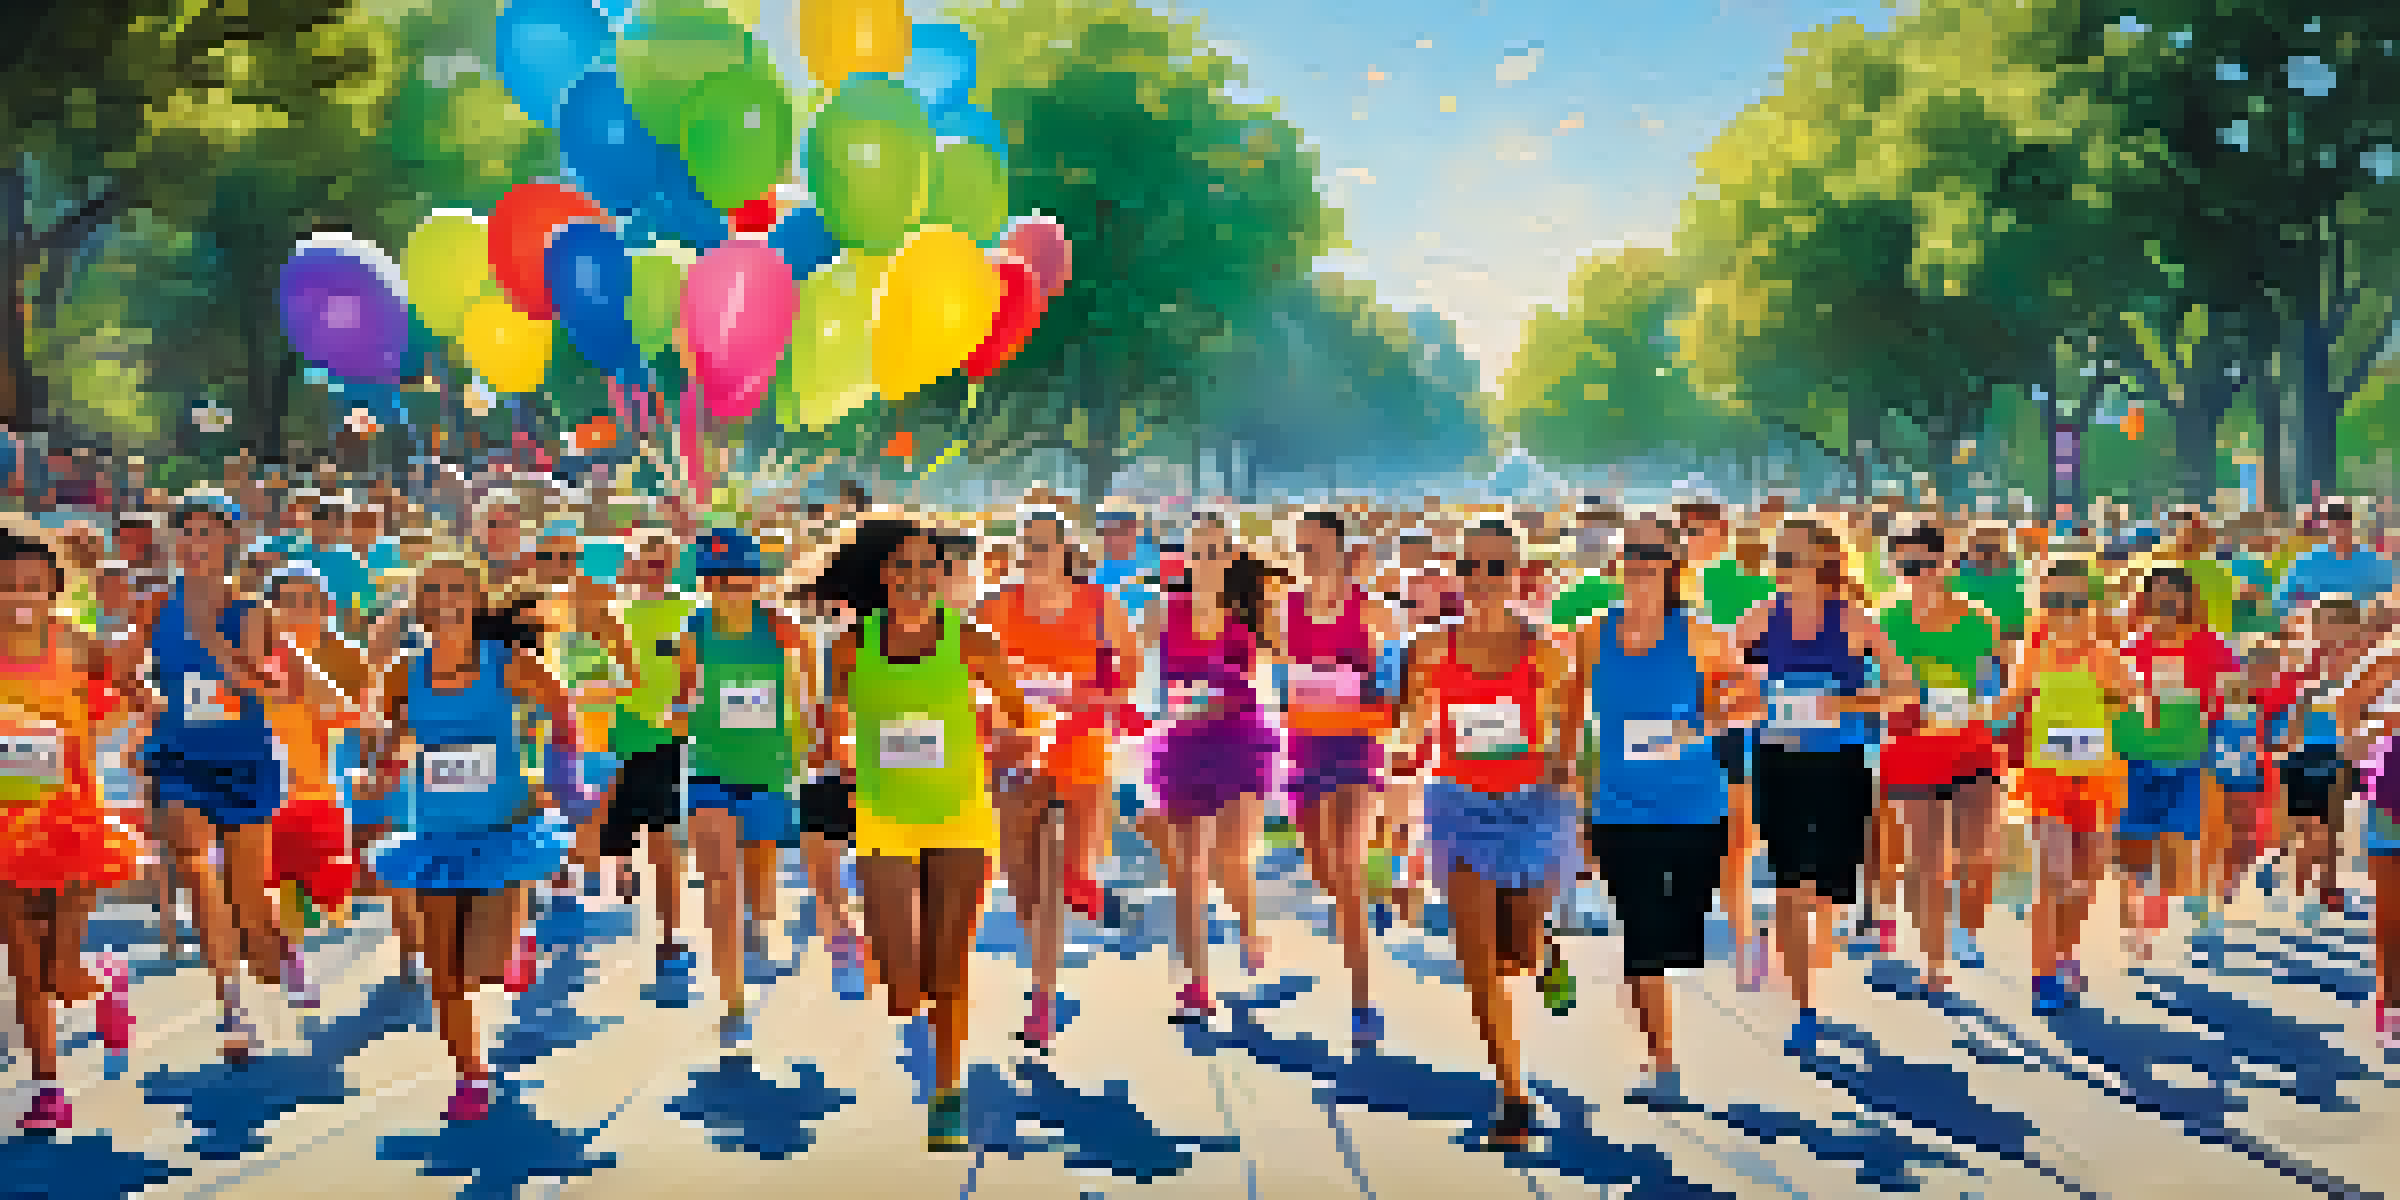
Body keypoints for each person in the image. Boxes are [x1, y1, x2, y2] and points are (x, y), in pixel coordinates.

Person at [819, 519, 1037, 1151]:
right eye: (904, 565)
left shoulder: (971, 641)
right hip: (884, 816)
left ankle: (947, 1092)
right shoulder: (851, 646)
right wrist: (837, 750)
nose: (917, 577)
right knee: (901, 986)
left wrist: (1006, 746)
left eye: (929, 566)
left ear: (944, 576)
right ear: (883, 573)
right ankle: (900, 990)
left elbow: (1023, 720)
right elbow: (832, 720)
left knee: (950, 964)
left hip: (959, 817)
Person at [369, 555, 576, 1120]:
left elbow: (561, 707)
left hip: (503, 834)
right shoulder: (405, 673)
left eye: (457, 589)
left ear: (477, 600)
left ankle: (518, 936)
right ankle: (470, 1075)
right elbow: (393, 729)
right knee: (444, 972)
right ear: (421, 605)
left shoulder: (506, 662)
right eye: (434, 590)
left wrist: (561, 774)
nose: (446, 601)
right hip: (435, 838)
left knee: (485, 966)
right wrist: (383, 764)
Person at [1400, 519, 1581, 1150]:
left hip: (1530, 807)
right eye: (1470, 566)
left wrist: (1565, 770)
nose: (1481, 579)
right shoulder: (1430, 648)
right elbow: (1413, 723)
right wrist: (1402, 751)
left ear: (1517, 576)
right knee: (1478, 963)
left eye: (1495, 567)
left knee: (1519, 953)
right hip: (1458, 805)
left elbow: (1566, 725)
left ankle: (1544, 950)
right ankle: (1513, 1095)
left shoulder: (1544, 652)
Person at [1575, 517, 1758, 1110]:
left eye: (1651, 555)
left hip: (1694, 805)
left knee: (1676, 933)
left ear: (1671, 566)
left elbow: (1748, 702)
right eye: (1630, 554)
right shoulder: (1592, 634)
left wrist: (1698, 726)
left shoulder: (1699, 635)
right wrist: (1573, 794)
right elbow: (1570, 717)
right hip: (1618, 805)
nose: (1639, 565)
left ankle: (1680, 997)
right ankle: (1662, 1061)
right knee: (1641, 933)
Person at [133, 494, 308, 1059]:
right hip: (179, 757)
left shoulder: (251, 610)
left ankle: (278, 949)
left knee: (246, 897)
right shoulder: (156, 604)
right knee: (194, 867)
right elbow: (127, 670)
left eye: (207, 532)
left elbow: (263, 687)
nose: (195, 543)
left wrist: (214, 642)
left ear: (230, 541)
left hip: (242, 759)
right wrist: (147, 696)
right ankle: (231, 1006)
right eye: (186, 532)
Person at [1734, 519, 1912, 1052]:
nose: (1784, 569)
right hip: (1779, 762)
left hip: (1840, 764)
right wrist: (1747, 698)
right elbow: (1717, 683)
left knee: (1829, 892)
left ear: (1822, 561)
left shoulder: (1853, 619)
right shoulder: (1759, 618)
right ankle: (1803, 1006)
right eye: (1778, 559)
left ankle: (1807, 962)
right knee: (1790, 884)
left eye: (1794, 558)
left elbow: (1904, 689)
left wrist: (1846, 703)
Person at [0, 528, 143, 1130]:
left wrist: (123, 715)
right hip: (6, 825)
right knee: (24, 964)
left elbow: (130, 700)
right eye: (7, 586)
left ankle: (106, 979)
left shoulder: (79, 646)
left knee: (61, 973)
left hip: (71, 823)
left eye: (31, 585)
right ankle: (47, 1087)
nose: (19, 596)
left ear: (53, 588)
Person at [976, 512, 1133, 1048]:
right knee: (1023, 881)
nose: (1031, 555)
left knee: (1064, 872)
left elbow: (1129, 671)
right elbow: (967, 668)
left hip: (1079, 747)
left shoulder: (1100, 605)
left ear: (1066, 551)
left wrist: (1097, 698)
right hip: (1014, 750)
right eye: (1025, 546)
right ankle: (1045, 980)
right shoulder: (996, 606)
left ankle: (1044, 992)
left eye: (1041, 546)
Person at [1271, 511, 1405, 1046]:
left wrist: (1359, 695)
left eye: (1318, 548)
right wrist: (1294, 700)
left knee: (1347, 869)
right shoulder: (1287, 610)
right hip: (1306, 752)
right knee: (1326, 873)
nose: (1310, 558)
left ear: (1341, 551)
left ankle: (1361, 1002)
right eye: (1302, 549)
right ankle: (1375, 889)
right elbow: (1282, 685)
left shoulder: (1372, 611)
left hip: (1356, 752)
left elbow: (1393, 694)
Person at [672, 528, 810, 1047]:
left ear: (757, 580)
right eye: (720, 579)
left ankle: (761, 917)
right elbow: (686, 690)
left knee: (760, 872)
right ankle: (732, 999)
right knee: (719, 885)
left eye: (742, 578)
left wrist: (810, 736)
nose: (731, 588)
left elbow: (805, 686)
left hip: (768, 769)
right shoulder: (696, 628)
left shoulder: (779, 626)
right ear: (706, 584)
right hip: (709, 766)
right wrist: (678, 714)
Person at [1142, 512, 1278, 1022]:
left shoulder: (1250, 613)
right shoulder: (1162, 611)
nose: (1205, 562)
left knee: (1230, 856)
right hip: (1183, 746)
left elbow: (1276, 668)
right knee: (1188, 868)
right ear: (1185, 559)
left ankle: (1248, 926)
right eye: (1197, 552)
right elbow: (1136, 673)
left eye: (1215, 552)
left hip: (1240, 742)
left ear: (1230, 558)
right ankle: (1195, 983)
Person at [2003, 557, 2140, 1013]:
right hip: (2047, 778)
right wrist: (1962, 715)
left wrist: (2131, 701)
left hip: (2097, 778)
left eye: (2075, 600)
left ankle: (2065, 952)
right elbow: (2010, 700)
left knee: (2086, 877)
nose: (2065, 609)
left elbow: (2132, 703)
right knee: (2054, 874)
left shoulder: (2106, 655)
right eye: (2054, 600)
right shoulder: (2033, 653)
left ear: (2094, 604)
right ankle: (2044, 974)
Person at [1876, 524, 2003, 993]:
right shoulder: (1886, 620)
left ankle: (1966, 927)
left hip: (1971, 746)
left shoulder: (1978, 619)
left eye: (1923, 563)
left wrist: (1984, 706)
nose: (1915, 574)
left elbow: (1992, 682)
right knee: (1926, 861)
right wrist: (1904, 702)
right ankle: (1933, 961)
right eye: (1905, 565)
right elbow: (1875, 684)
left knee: (1977, 854)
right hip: (1911, 750)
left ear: (1944, 563)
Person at [2112, 567, 2239, 961]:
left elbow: (2234, 696)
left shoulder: (2209, 644)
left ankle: (2162, 911)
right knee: (2132, 852)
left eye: (2174, 593)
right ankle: (2134, 931)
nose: (2167, 600)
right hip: (2134, 762)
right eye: (2159, 592)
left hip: (2188, 761)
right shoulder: (2130, 647)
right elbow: (2111, 700)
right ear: (2147, 599)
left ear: (2188, 599)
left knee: (2175, 849)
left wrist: (2225, 741)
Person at [598, 531, 697, 973]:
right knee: (613, 838)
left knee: (663, 842)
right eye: (647, 558)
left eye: (664, 558)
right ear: (631, 564)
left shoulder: (691, 610)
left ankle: (670, 936)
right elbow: (591, 672)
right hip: (614, 743)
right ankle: (621, 873)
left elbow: (700, 674)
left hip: (667, 743)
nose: (655, 566)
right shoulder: (613, 613)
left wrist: (686, 711)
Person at [2275, 501, 2394, 617]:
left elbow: (2390, 597)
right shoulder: (2310, 562)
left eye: (2343, 526)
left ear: (2350, 526)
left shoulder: (2371, 562)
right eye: (2335, 527)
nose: (2339, 532)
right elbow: (2287, 601)